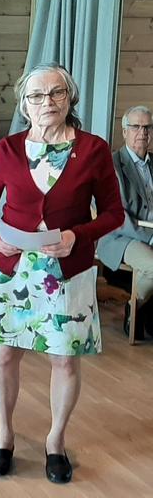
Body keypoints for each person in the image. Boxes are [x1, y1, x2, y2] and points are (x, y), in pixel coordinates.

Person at [0, 63, 124, 484]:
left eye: (57, 93)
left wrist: (77, 235)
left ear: (70, 98)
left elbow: (114, 213)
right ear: (24, 104)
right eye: (36, 95)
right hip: (12, 271)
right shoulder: (8, 149)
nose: (47, 102)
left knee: (65, 362)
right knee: (5, 354)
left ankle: (55, 442)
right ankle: (4, 436)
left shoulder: (93, 150)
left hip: (67, 272)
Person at [97, 105, 153, 338]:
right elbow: (115, 215)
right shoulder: (112, 166)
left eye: (147, 127)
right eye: (136, 127)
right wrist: (150, 236)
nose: (143, 132)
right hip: (119, 236)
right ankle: (135, 305)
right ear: (124, 132)